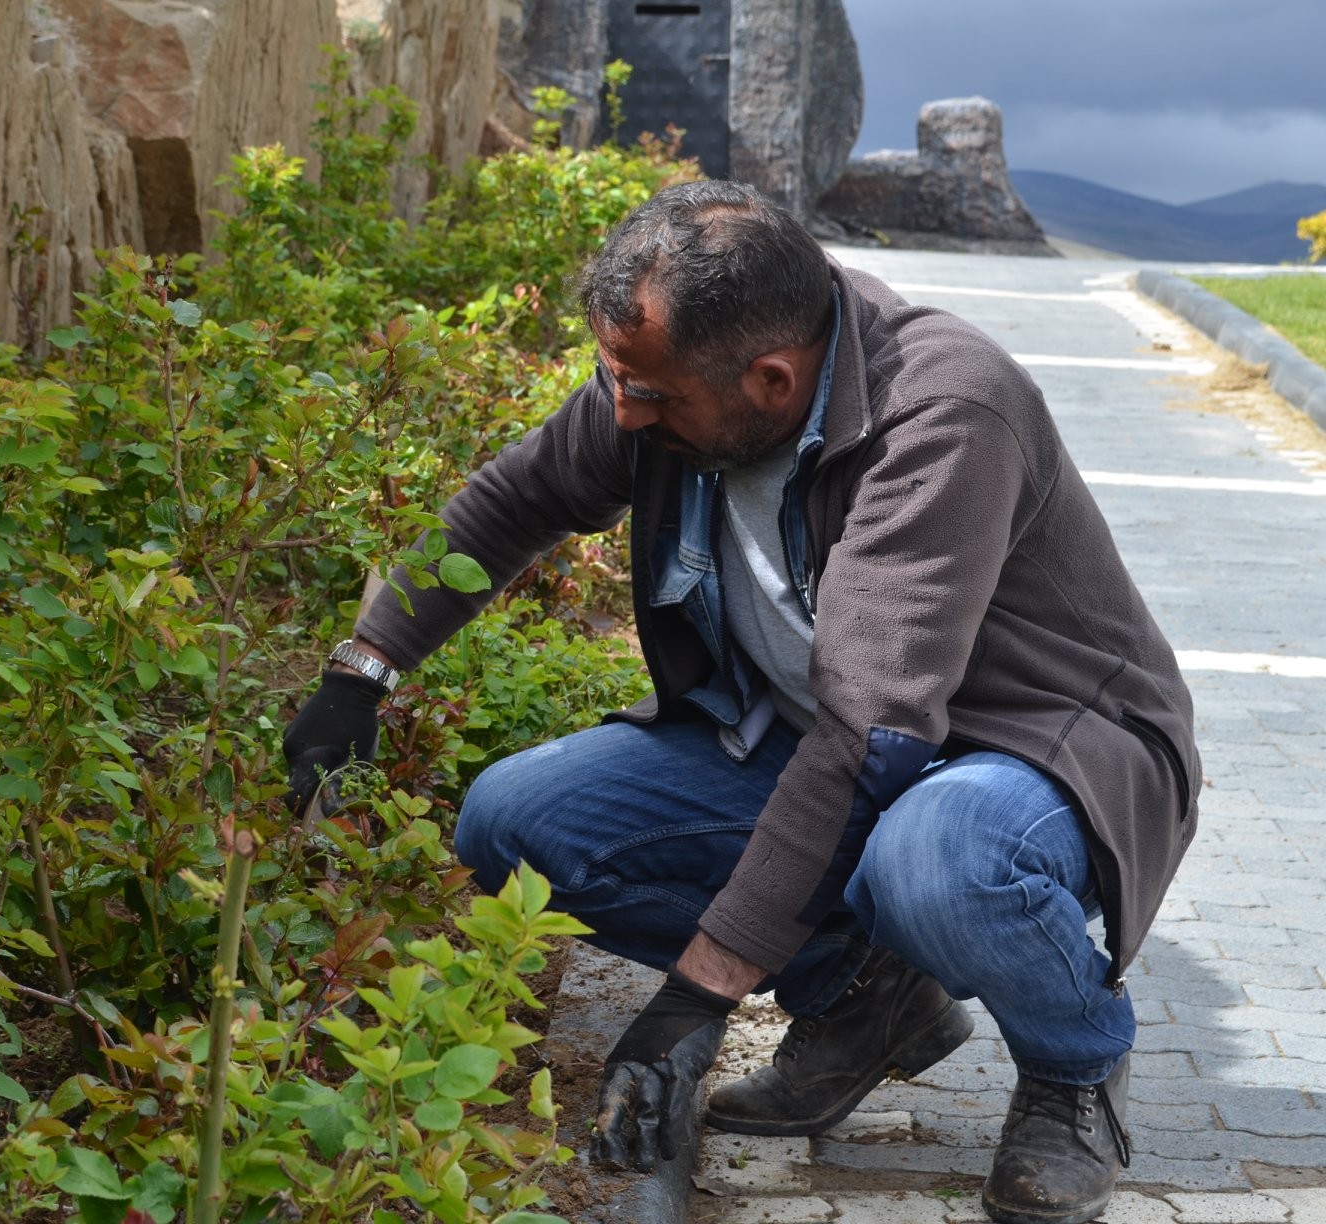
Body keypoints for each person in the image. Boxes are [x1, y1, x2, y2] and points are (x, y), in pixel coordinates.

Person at [281, 180, 1198, 1224]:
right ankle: (864, 996)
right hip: (827, 740)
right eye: (614, 378)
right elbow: (509, 507)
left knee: (939, 861)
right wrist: (364, 671)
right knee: (516, 823)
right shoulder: (675, 383)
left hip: (1033, 759)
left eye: (650, 395)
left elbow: (876, 737)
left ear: (771, 380)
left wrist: (695, 996)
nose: (622, 412)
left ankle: (1076, 1068)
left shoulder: (941, 413)